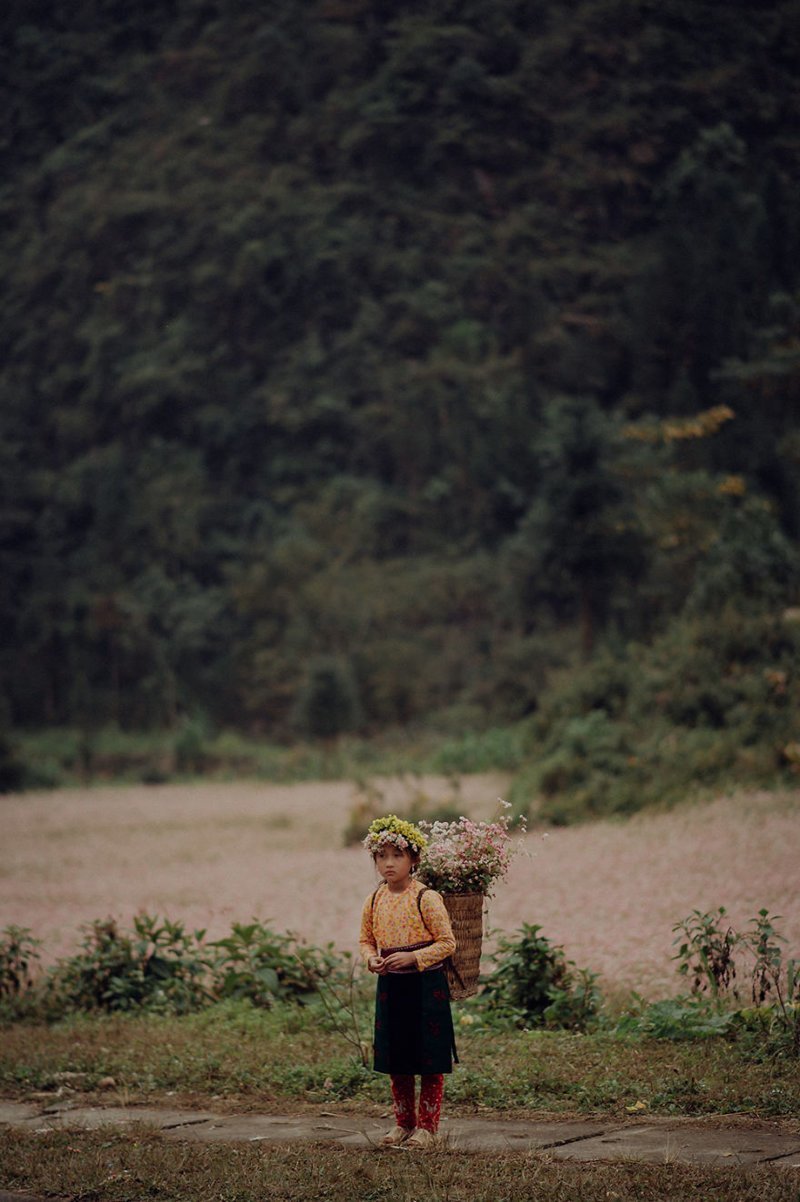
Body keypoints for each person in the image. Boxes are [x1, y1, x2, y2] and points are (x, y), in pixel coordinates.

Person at [359, 814, 458, 1149]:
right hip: (391, 987)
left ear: (413, 859)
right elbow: (365, 940)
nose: (388, 863)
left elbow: (447, 943)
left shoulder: (426, 898)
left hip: (426, 987)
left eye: (397, 855)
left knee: (429, 1058)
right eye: (381, 856)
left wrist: (414, 958)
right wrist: (371, 958)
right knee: (396, 1058)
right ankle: (403, 1124)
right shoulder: (374, 900)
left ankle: (428, 1128)